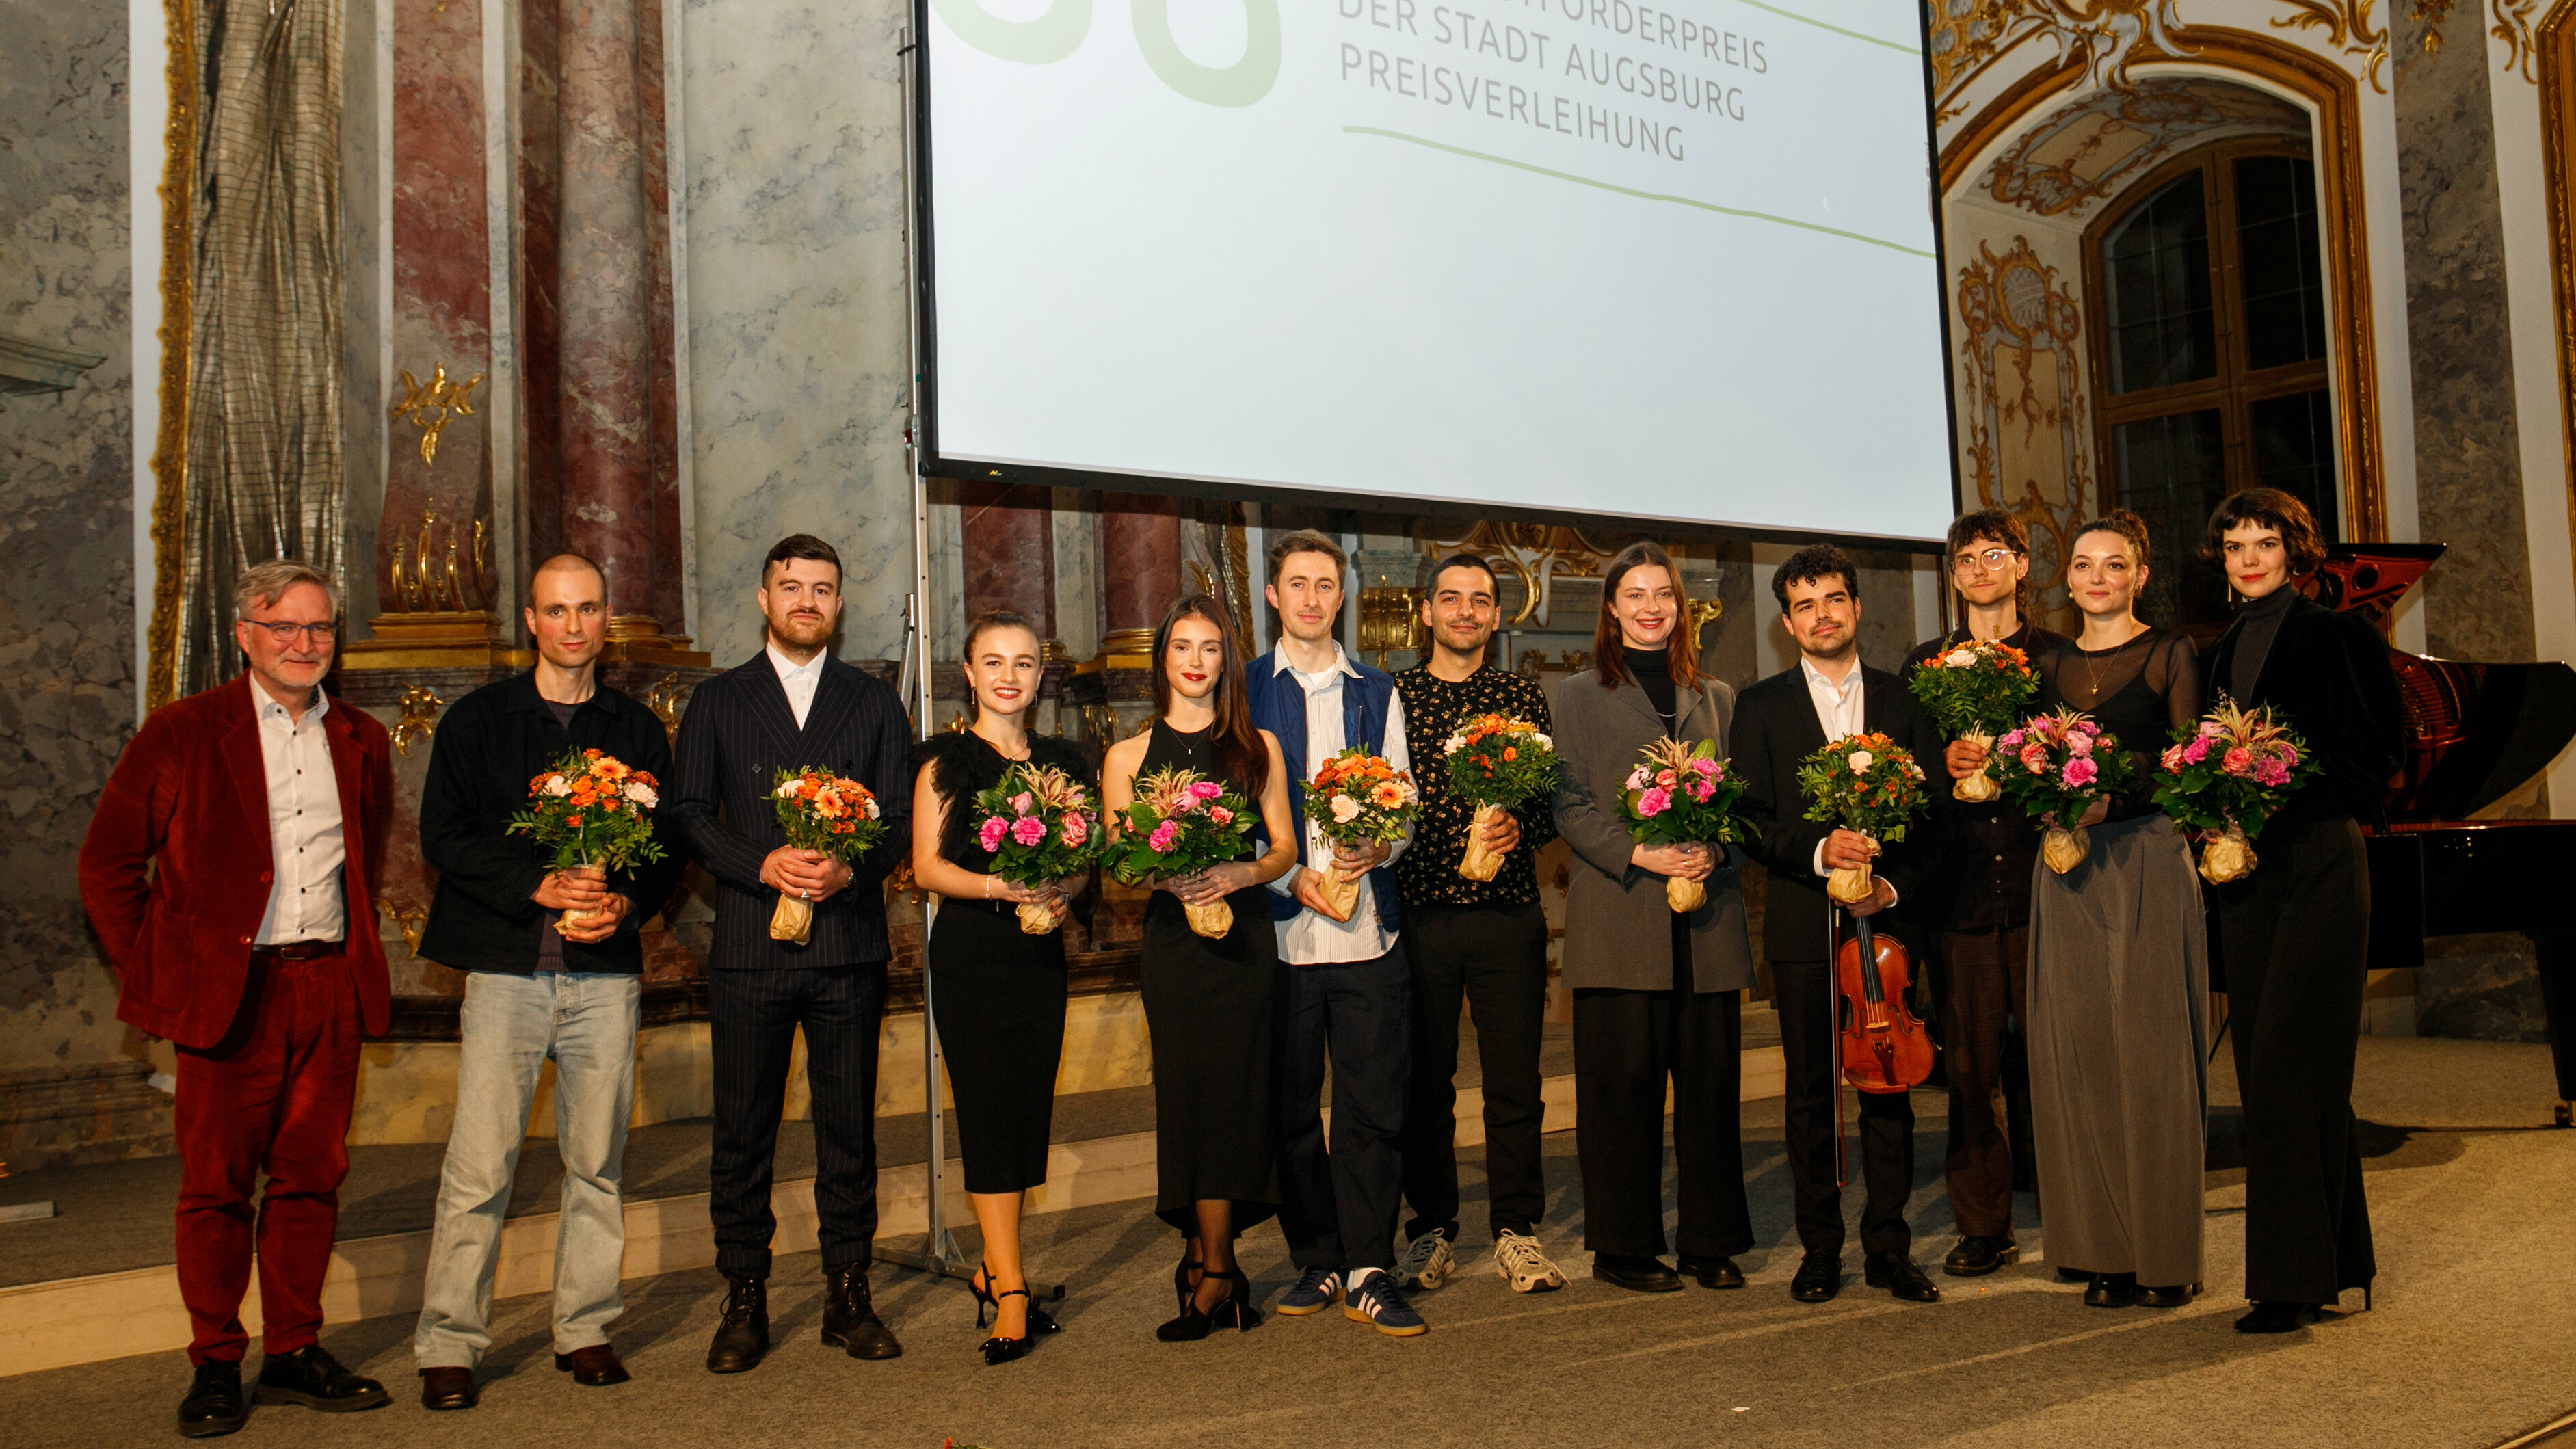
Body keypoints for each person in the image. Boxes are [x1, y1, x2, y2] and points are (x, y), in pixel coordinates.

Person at [79, 560, 397, 1437]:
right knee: (216, 1188)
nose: (305, 644)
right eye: (285, 626)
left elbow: (364, 858)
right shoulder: (183, 731)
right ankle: (216, 1361)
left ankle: (293, 1349)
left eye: (321, 628)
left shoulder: (362, 738)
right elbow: (106, 867)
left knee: (310, 1178)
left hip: (327, 983)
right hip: (229, 995)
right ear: (244, 634)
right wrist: (163, 970)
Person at [409, 554, 688, 1407]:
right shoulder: (478, 720)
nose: (573, 626)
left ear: (608, 620)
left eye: (589, 609)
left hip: (603, 975)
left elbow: (670, 843)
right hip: (504, 970)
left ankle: (585, 1326)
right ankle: (449, 1339)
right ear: (529, 621)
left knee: (597, 1161)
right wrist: (533, 883)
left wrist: (625, 906)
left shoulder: (635, 729)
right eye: (556, 610)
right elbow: (443, 835)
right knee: (480, 1164)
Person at [672, 534, 915, 1370]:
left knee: (848, 1129)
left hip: (846, 945)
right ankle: (744, 1297)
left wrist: (850, 865)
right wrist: (761, 861)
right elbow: (690, 813)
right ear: (763, 600)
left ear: (839, 605)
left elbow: (894, 821)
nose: (806, 601)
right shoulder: (718, 700)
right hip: (749, 946)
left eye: (822, 589)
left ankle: (849, 1293)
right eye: (791, 587)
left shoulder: (875, 701)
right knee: (742, 1131)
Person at [2198, 488, 2404, 1334]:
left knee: (2292, 1060)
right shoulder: (2217, 651)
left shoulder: (2338, 634)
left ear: (2295, 550)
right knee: (2271, 1069)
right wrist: (2210, 795)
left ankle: (2285, 1283)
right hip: (2245, 873)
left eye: (2264, 542)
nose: (2249, 557)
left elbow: (2378, 757)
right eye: (2235, 545)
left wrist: (2273, 779)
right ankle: (2339, 1263)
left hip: (2319, 858)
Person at [1734, 544, 1946, 1305]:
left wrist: (1886, 885)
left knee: (1887, 1087)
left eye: (1832, 599)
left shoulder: (1905, 702)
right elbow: (1749, 822)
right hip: (1801, 927)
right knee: (1810, 1097)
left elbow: (1934, 822)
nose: (1820, 615)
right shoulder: (1758, 707)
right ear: (1786, 623)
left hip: (1886, 933)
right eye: (1803, 605)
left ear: (1856, 608)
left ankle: (1889, 1244)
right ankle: (1818, 1247)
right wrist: (1823, 850)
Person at [1548, 542, 1757, 1294]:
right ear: (1610, 607)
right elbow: (1566, 804)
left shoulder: (1720, 695)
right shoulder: (1574, 695)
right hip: (1620, 914)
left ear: (1680, 605)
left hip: (1706, 925)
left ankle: (1709, 1240)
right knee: (1620, 1093)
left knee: (1708, 1091)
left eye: (1661, 594)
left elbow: (1744, 804)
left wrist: (1713, 846)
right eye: (1633, 594)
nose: (1648, 607)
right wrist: (1639, 853)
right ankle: (1622, 1244)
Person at [2019, 514, 2209, 1310]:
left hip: (2146, 860)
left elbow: (2189, 763)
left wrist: (2113, 796)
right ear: (2066, 579)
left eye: (2114, 564)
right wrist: (2045, 799)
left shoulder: (2170, 652)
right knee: (2078, 1056)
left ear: (2138, 575)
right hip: (2064, 868)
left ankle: (2167, 1254)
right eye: (2083, 564)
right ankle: (2102, 1252)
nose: (2096, 577)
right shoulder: (2044, 661)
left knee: (2154, 1060)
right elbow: (2019, 753)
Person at [1243, 530, 1427, 1337]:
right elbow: (1232, 811)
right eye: (1297, 584)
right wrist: (1290, 876)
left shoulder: (1377, 690)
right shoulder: (1243, 689)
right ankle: (1317, 1257)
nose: (1312, 598)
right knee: (1286, 1110)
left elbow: (1409, 803)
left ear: (1340, 597)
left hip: (1367, 938)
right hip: (1280, 937)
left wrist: (1381, 843)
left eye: (1326, 584)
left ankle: (1369, 1264)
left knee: (1371, 1108)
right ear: (1272, 596)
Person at [1100, 594, 1299, 1341]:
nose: (1193, 660)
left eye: (1209, 647)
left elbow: (1281, 849)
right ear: (1162, 659)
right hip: (1174, 946)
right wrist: (1166, 874)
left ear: (1227, 659)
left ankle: (1213, 1271)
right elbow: (1120, 861)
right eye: (1180, 646)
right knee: (1186, 1097)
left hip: (1243, 942)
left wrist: (1237, 874)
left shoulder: (1259, 746)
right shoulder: (1124, 756)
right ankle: (1209, 1262)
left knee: (1234, 1098)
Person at [908, 610, 1091, 1364]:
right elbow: (927, 868)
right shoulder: (944, 760)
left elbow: (1085, 861)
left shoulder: (1065, 761)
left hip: (1039, 957)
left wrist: (1060, 888)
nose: (1009, 676)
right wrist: (1004, 887)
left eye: (1023, 663)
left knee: (1024, 1109)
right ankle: (1010, 1288)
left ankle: (994, 1264)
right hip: (973, 956)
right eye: (994, 662)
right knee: (986, 1111)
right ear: (969, 673)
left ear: (1040, 674)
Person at [1391, 553, 1569, 1294]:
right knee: (1422, 1083)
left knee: (1512, 1081)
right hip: (1418, 914)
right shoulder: (1391, 695)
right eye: (1450, 598)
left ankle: (1515, 1229)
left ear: (1497, 617)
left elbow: (1548, 801)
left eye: (1480, 601)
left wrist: (1515, 833)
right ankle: (1429, 1227)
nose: (1465, 611)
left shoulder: (1520, 696)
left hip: (1505, 917)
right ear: (1426, 612)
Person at [1900, 511, 2070, 1278]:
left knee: (2060, 1058)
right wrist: (1944, 763)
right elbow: (1900, 778)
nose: (1978, 569)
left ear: (2023, 565)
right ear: (1952, 573)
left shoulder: (2057, 659)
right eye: (1964, 558)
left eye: (1992, 554)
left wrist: (2023, 758)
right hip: (1960, 893)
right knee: (1969, 1067)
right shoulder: (1923, 663)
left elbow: (2084, 756)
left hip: (2050, 885)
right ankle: (1982, 1224)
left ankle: (2081, 1216)